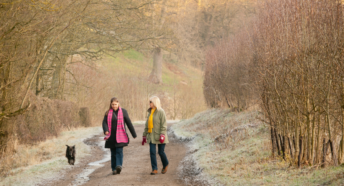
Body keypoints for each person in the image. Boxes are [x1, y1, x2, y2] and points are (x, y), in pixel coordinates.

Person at [102, 97, 137, 175]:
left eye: (115, 104)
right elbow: (104, 122)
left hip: (121, 135)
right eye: (113, 104)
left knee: (119, 151)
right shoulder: (107, 112)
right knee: (113, 153)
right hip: (111, 137)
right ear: (110, 104)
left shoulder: (123, 112)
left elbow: (129, 123)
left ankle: (119, 166)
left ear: (118, 103)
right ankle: (114, 169)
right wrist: (106, 130)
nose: (114, 105)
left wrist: (133, 134)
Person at [142, 96, 169, 175]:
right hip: (151, 136)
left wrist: (162, 134)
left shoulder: (161, 111)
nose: (149, 103)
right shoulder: (150, 112)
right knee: (152, 152)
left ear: (155, 102)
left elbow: (164, 124)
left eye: (151, 102)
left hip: (160, 135)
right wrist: (144, 135)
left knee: (161, 152)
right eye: (149, 102)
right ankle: (154, 169)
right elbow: (147, 125)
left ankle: (165, 164)